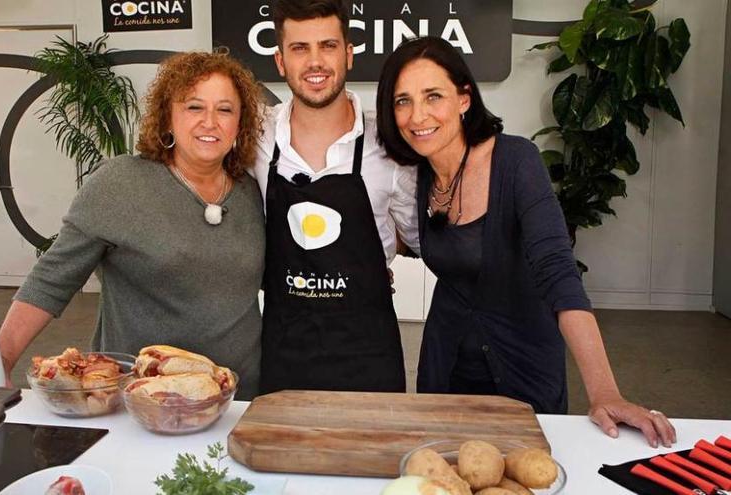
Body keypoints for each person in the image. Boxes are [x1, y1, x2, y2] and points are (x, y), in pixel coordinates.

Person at [375, 36, 676, 447]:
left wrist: (605, 391)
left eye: (433, 96)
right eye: (402, 101)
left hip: (523, 362)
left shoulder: (516, 161)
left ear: (464, 99)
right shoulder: (414, 175)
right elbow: (424, 242)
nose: (417, 115)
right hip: (445, 366)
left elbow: (557, 272)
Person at [0, 52, 266, 400]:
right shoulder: (120, 183)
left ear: (240, 123)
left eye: (225, 109)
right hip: (140, 404)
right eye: (194, 107)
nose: (210, 122)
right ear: (167, 117)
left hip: (238, 399)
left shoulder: (253, 191)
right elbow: (51, 280)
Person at [253, 0, 419, 394]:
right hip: (283, 350)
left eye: (327, 46)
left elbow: (421, 236)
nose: (315, 62)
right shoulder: (253, 136)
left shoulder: (389, 146)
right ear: (279, 61)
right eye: (299, 48)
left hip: (367, 353)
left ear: (348, 54)